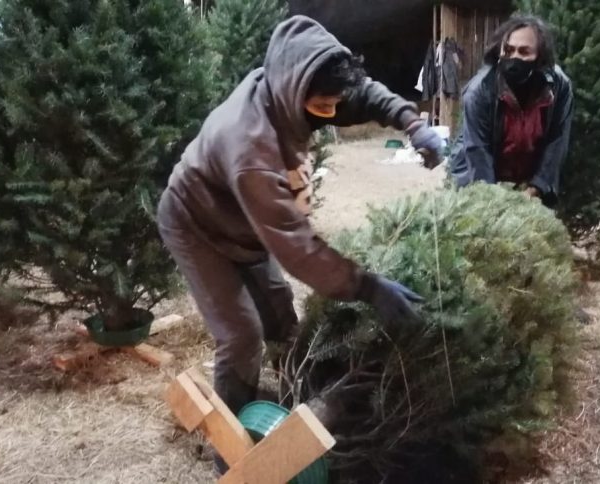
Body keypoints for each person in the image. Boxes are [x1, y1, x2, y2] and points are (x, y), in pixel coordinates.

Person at [158, 14, 444, 432]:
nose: (330, 115)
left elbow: (363, 94)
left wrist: (412, 123)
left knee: (279, 311)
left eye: (334, 104)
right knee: (241, 335)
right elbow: (296, 248)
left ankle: (293, 399)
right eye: (321, 107)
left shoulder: (292, 87)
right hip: (195, 225)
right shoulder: (250, 147)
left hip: (243, 225)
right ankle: (232, 441)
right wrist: (367, 287)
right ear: (295, 91)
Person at [449, 15, 574, 207]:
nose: (514, 57)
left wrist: (535, 188)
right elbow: (477, 150)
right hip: (477, 170)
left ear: (540, 56)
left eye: (524, 52)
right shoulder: (480, 90)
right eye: (508, 50)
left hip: (526, 172)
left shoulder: (559, 86)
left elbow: (557, 142)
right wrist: (492, 200)